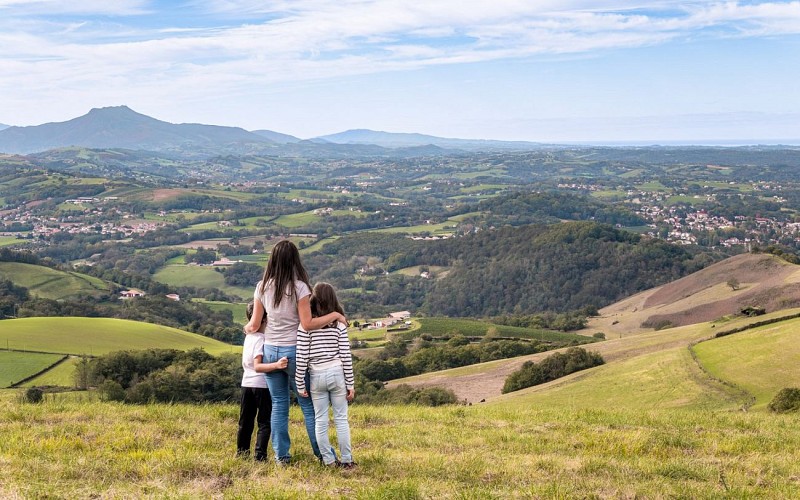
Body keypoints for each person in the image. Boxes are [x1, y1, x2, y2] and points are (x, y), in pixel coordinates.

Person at [244, 240, 346, 464]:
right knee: (308, 406)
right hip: (294, 352)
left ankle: (282, 457)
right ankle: (323, 455)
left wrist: (247, 329)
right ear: (294, 260)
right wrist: (335, 316)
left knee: (279, 405)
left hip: (270, 350)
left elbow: (253, 325)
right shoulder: (300, 287)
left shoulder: (261, 287)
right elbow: (307, 324)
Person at [295, 282, 356, 469]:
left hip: (316, 375)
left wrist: (299, 382)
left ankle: (329, 461)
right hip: (337, 373)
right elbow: (345, 355)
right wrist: (350, 383)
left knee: (320, 420)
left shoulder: (306, 326)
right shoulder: (339, 324)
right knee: (341, 419)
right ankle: (347, 460)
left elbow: (302, 356)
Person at [237, 301, 287, 461]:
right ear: (263, 319)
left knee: (245, 422)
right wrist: (277, 365)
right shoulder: (261, 339)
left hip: (246, 384)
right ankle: (260, 456)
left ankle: (242, 453)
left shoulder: (249, 337)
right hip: (261, 385)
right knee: (264, 422)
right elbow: (258, 366)